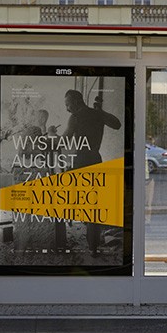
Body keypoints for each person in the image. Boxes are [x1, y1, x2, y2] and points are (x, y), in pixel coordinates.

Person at [63, 88, 122, 254]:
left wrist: (48, 138)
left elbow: (64, 140)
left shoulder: (75, 117)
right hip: (95, 160)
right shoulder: (97, 114)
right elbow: (117, 124)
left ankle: (81, 231)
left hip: (81, 161)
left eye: (67, 104)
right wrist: (100, 112)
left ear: (75, 102)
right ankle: (93, 247)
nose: (67, 108)